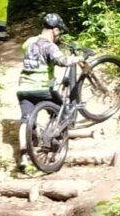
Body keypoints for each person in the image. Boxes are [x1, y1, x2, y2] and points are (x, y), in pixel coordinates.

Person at [15, 13, 81, 171]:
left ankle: (23, 154)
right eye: (60, 32)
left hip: (23, 88)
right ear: (56, 30)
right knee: (63, 110)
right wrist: (77, 59)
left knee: (25, 120)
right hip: (43, 88)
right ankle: (56, 141)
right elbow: (62, 61)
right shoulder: (50, 46)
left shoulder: (28, 42)